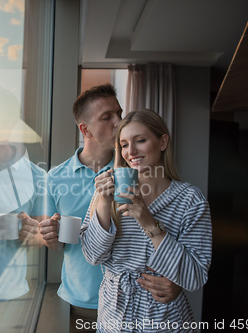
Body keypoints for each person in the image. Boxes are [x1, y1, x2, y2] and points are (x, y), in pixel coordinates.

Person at [40, 85, 182, 332]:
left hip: (139, 304)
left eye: (119, 112)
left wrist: (178, 280)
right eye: (107, 117)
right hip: (82, 303)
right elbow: (59, 243)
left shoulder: (140, 168)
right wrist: (50, 236)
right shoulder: (55, 178)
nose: (119, 121)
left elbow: (171, 232)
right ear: (85, 129)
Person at [80, 109, 212, 332]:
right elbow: (93, 256)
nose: (130, 151)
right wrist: (103, 202)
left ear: (162, 142)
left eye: (140, 140)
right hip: (113, 320)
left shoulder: (190, 200)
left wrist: (150, 223)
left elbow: (195, 277)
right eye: (123, 144)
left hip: (163, 322)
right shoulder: (108, 193)